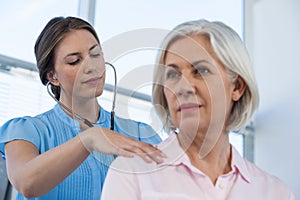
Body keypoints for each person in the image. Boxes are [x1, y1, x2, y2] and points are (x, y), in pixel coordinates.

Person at [101, 19, 297, 199]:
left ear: (237, 87)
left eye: (201, 71)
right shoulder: (131, 173)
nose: (184, 87)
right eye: (173, 74)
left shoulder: (276, 193)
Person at [0, 16, 166, 200]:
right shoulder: (27, 131)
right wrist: (89, 139)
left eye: (95, 55)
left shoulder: (141, 134)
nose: (92, 67)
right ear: (53, 76)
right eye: (74, 61)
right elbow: (26, 183)